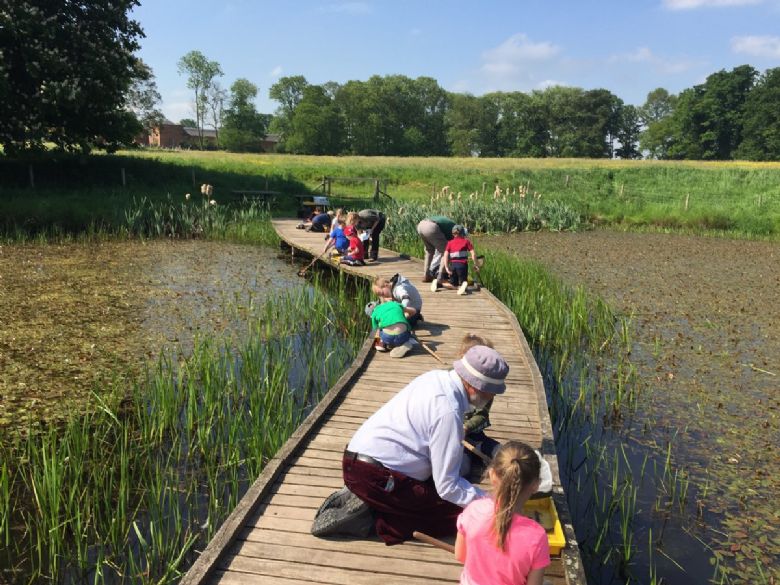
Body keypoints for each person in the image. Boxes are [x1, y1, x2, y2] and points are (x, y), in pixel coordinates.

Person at [311, 346, 510, 545]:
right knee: (457, 516)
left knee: (445, 494)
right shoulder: (448, 412)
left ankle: (364, 496)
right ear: (478, 388)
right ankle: (367, 518)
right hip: (376, 477)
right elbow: (447, 487)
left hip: (355, 461)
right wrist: (490, 503)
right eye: (492, 393)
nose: (491, 399)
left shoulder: (435, 377)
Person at [455, 441, 550, 585]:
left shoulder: (472, 510)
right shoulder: (537, 536)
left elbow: (460, 555)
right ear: (536, 485)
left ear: (492, 475)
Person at [435, 224, 479, 295]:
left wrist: (446, 267)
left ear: (453, 233)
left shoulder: (449, 243)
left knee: (453, 284)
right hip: (462, 265)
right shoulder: (466, 242)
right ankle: (462, 285)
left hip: (453, 266)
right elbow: (473, 254)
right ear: (462, 233)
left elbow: (445, 255)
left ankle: (439, 284)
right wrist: (476, 264)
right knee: (463, 283)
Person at [417, 215, 455, 283]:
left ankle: (426, 275)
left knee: (429, 251)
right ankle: (440, 277)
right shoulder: (455, 229)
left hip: (421, 225)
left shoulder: (451, 225)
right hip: (431, 227)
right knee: (447, 253)